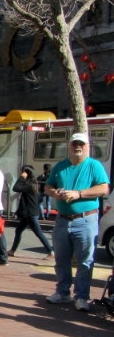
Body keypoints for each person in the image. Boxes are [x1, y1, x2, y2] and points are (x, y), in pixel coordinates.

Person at [44, 132, 109, 311]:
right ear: (69, 146)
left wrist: (78, 194)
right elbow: (48, 186)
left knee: (85, 260)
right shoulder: (60, 166)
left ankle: (81, 297)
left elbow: (104, 188)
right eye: (74, 144)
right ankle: (63, 292)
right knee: (61, 259)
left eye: (81, 144)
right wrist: (54, 193)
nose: (77, 147)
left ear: (88, 146)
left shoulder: (94, 165)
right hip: (62, 220)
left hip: (86, 220)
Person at [8, 165, 54, 259]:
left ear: (26, 173)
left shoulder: (28, 184)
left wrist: (21, 177)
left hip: (30, 214)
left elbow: (16, 188)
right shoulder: (33, 183)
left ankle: (50, 251)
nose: (21, 174)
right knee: (18, 230)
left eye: (22, 172)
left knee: (39, 233)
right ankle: (12, 250)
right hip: (28, 213)